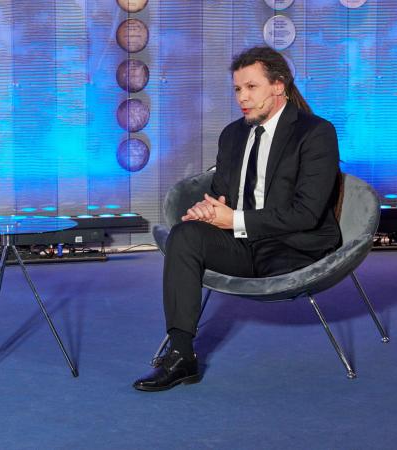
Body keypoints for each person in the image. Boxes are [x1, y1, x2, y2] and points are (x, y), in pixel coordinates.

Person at [133, 46, 342, 392]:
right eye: (237, 89)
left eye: (251, 87)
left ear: (279, 86)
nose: (242, 98)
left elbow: (306, 213)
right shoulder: (233, 134)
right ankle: (182, 355)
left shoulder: (315, 132)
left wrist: (234, 220)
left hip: (293, 248)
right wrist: (210, 211)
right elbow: (222, 194)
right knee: (184, 235)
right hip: (245, 243)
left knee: (226, 233)